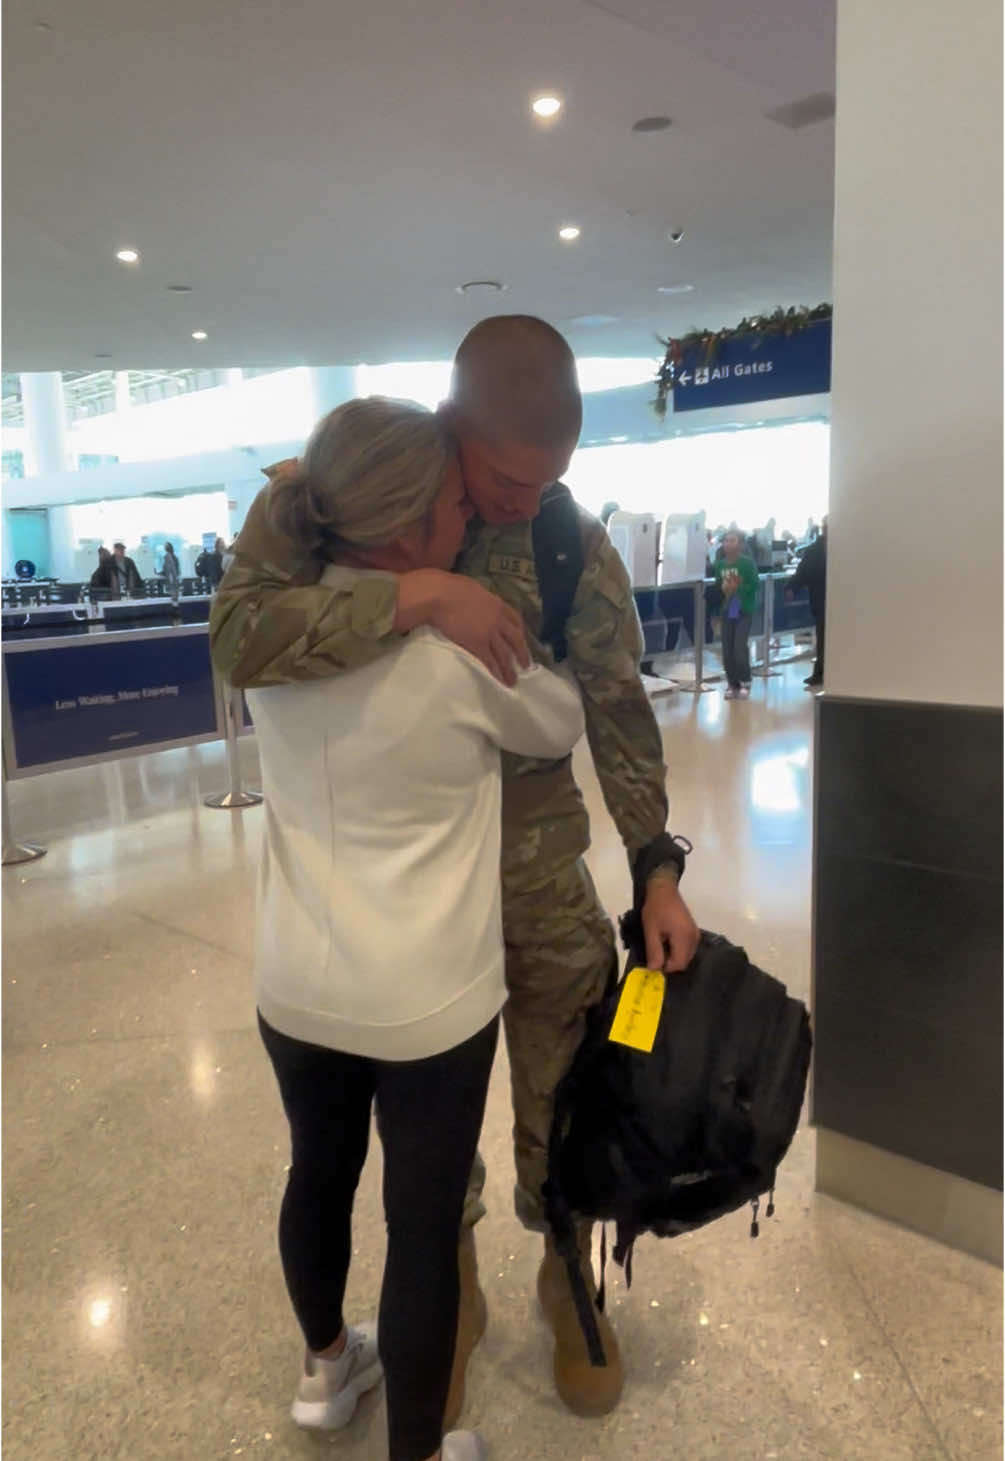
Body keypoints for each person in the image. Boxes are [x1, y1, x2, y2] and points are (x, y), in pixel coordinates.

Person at [209, 315, 700, 1423]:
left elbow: (614, 707)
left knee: (569, 1078)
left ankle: (565, 1270)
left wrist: (656, 868)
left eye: (549, 480)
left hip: (529, 870)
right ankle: (456, 1271)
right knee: (427, 1133)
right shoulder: (343, 497)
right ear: (450, 428)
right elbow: (239, 640)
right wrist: (422, 596)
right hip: (405, 888)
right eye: (504, 478)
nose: (522, 503)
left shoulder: (569, 539)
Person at [251, 397, 584, 1461]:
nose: (467, 520)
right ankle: (421, 1453)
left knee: (318, 1171)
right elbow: (558, 720)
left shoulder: (273, 647)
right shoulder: (457, 653)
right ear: (403, 529)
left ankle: (324, 1366)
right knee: (423, 1225)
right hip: (427, 1002)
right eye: (452, 504)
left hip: (294, 984)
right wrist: (471, 612)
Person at [715, 529, 759, 699]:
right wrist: (716, 612)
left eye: (732, 540)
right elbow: (717, 588)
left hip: (742, 607)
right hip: (727, 609)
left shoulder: (747, 564)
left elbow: (755, 584)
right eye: (726, 540)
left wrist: (737, 587)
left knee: (739, 647)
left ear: (740, 544)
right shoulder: (720, 565)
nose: (728, 544)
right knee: (727, 649)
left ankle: (745, 680)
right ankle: (732, 683)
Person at [788, 516, 827, 688]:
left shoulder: (847, 549)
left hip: (840, 603)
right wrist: (792, 587)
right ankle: (820, 673)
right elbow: (803, 572)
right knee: (823, 638)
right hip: (821, 601)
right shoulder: (814, 550)